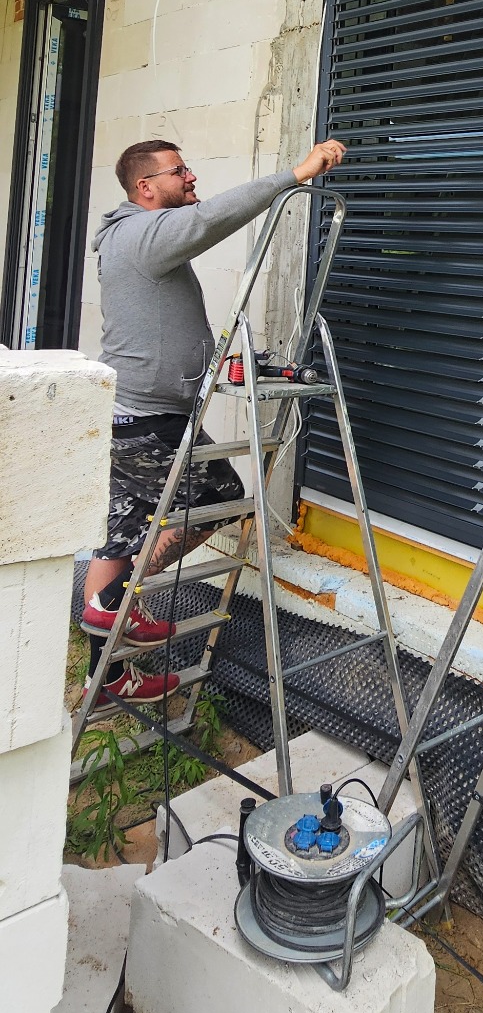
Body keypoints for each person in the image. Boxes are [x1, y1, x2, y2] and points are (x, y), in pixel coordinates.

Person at [82, 136, 345, 705]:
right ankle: (116, 604)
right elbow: (210, 219)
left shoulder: (133, 238)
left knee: (121, 532)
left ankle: (105, 680)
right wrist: (295, 174)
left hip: (134, 412)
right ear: (145, 187)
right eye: (179, 172)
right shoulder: (142, 233)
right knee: (214, 504)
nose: (191, 177)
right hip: (148, 418)